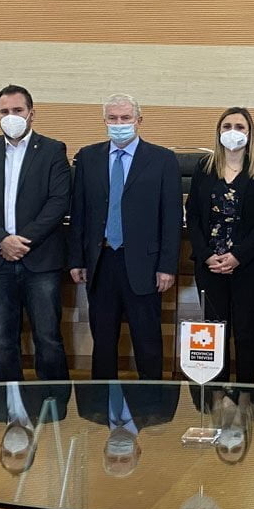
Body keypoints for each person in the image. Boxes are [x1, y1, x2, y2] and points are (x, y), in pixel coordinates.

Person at [68, 94, 181, 380]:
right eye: (113, 118)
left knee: (148, 343)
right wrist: (77, 259)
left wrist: (167, 266)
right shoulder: (88, 158)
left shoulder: (162, 159)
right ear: (104, 121)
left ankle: (152, 402)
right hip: (101, 260)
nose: (119, 124)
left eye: (125, 118)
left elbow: (171, 217)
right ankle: (102, 402)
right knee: (103, 342)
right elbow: (79, 212)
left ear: (138, 120)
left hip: (144, 264)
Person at [0, 85, 71, 382]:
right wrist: (2, 240)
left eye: (17, 110)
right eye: (4, 112)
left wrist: (23, 241)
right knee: (3, 341)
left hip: (40, 259)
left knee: (48, 339)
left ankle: (53, 404)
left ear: (31, 113)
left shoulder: (53, 150)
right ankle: (9, 404)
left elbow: (59, 201)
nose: (10, 117)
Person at [183, 107, 254, 384]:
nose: (233, 132)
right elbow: (194, 215)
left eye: (240, 127)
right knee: (214, 332)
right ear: (218, 131)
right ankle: (217, 393)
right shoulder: (204, 167)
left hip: (249, 264)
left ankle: (246, 394)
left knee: (246, 332)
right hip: (210, 265)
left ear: (250, 133)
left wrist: (238, 255)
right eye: (227, 126)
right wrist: (205, 255)